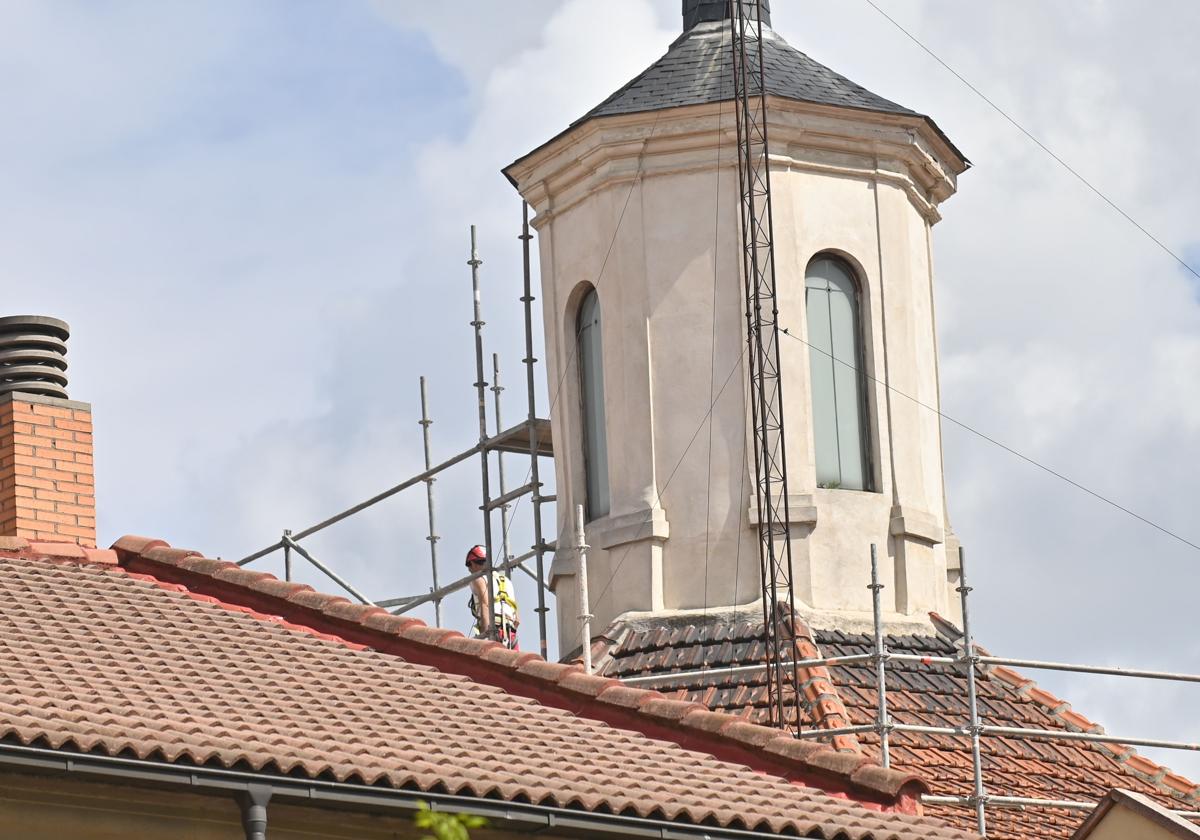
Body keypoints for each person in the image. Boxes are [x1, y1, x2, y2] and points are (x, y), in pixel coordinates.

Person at [465, 545, 519, 649]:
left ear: (472, 563)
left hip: (494, 630)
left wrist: (486, 635)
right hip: (511, 634)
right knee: (514, 664)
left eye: (469, 568)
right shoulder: (506, 581)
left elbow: (485, 604)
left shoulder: (478, 579)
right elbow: (517, 619)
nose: (470, 571)